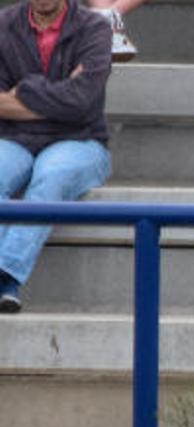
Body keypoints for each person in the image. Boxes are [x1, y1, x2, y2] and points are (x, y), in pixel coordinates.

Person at [0, 0, 112, 313]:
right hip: (12, 137)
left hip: (80, 139)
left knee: (52, 176)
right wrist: (58, 97)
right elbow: (70, 103)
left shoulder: (95, 28)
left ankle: (6, 275)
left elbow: (82, 103)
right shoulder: (3, 25)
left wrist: (22, 92)